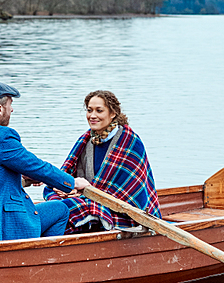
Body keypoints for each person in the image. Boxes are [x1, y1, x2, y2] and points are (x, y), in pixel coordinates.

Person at [0, 81, 90, 243]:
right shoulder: (1, 136)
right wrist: (73, 182)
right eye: (10, 105)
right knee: (60, 209)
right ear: (0, 109)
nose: (11, 110)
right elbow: (38, 167)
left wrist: (25, 176)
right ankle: (39, 259)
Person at [44, 90, 160, 233]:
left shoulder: (130, 143)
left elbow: (128, 193)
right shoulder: (86, 141)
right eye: (89, 110)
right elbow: (70, 175)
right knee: (55, 199)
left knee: (64, 208)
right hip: (87, 199)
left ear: (113, 113)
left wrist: (82, 193)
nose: (93, 116)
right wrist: (67, 188)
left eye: (99, 111)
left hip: (121, 212)